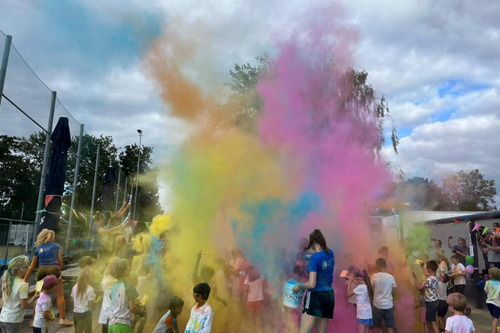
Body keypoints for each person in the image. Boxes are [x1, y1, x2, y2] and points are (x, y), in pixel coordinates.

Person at [23, 229, 73, 326]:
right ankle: (62, 319)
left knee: (38, 295)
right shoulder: (57, 246)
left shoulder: (38, 248)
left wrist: (25, 279)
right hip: (54, 269)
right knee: (59, 295)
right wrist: (60, 271)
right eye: (53, 236)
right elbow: (60, 260)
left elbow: (32, 265)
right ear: (50, 237)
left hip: (41, 271)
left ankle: (34, 320)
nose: (54, 238)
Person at [292, 229, 335, 333]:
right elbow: (322, 260)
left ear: (313, 242)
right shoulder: (330, 253)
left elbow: (311, 284)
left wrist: (299, 286)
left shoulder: (314, 259)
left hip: (316, 296)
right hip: (329, 295)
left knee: (304, 331)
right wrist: (312, 257)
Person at [0, 255, 39, 332]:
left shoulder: (7, 281)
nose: (28, 268)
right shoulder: (23, 285)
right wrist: (34, 298)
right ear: (21, 268)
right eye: (27, 266)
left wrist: (31, 293)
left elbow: (15, 296)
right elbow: (24, 306)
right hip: (14, 320)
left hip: (3, 317)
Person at [108, 259, 143, 333]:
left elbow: (117, 301)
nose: (129, 269)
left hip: (111, 324)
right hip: (123, 325)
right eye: (127, 268)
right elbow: (132, 308)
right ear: (123, 271)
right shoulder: (129, 286)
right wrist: (140, 312)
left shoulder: (114, 286)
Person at [370, 258, 396, 333]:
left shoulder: (374, 276)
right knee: (390, 326)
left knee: (376, 326)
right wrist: (389, 298)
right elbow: (394, 292)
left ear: (378, 266)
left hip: (377, 305)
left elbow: (371, 290)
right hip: (389, 305)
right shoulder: (391, 277)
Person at [413, 260, 439, 333]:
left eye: (427, 267)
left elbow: (419, 287)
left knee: (432, 322)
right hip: (435, 301)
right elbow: (428, 274)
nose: (426, 268)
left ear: (429, 269)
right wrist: (422, 267)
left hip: (430, 303)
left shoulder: (428, 280)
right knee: (431, 321)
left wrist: (415, 278)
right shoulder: (436, 277)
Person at [71, 267, 96, 333]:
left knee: (78, 331)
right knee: (88, 331)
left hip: (76, 313)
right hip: (86, 313)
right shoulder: (90, 289)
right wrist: (94, 303)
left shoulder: (75, 286)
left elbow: (72, 300)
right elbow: (91, 304)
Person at [244, 265, 265, 329]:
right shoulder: (260, 276)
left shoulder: (248, 277)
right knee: (259, 315)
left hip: (251, 299)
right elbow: (264, 284)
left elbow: (246, 289)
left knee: (252, 314)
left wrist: (246, 293)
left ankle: (253, 326)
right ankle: (259, 327)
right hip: (259, 298)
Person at [484, 267, 500, 333]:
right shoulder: (499, 284)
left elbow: (486, 292)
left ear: (491, 275)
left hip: (489, 302)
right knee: (496, 320)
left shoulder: (488, 282)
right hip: (497, 303)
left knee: (494, 318)